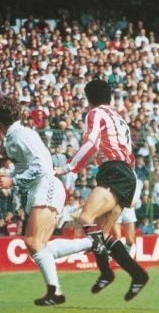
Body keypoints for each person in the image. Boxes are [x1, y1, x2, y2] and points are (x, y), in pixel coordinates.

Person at [0, 97, 94, 306]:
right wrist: (12, 175)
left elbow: (41, 166)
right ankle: (93, 244)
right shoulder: (17, 135)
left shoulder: (19, 135)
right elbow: (29, 165)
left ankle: (56, 290)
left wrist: (13, 180)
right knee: (40, 247)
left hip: (46, 186)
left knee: (32, 242)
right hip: (40, 189)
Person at [55, 79, 149, 301]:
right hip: (127, 174)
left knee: (86, 217)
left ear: (89, 99)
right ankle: (136, 274)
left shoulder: (95, 114)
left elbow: (92, 145)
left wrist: (69, 167)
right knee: (103, 233)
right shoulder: (119, 118)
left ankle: (106, 271)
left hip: (113, 170)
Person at [112, 179, 144, 257]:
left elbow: (136, 196)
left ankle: (126, 253)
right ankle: (121, 258)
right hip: (116, 207)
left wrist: (133, 201)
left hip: (128, 210)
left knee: (130, 240)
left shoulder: (136, 181)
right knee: (117, 237)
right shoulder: (115, 178)